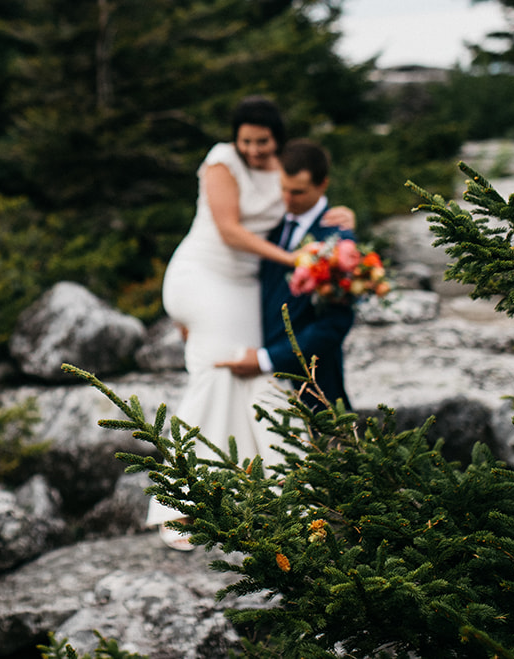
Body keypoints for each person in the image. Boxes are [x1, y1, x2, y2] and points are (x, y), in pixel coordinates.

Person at [146, 97, 315, 549]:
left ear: (277, 137)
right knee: (216, 373)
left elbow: (304, 205)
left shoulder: (285, 167)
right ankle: (178, 504)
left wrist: (339, 219)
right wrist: (294, 259)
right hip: (203, 275)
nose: (255, 150)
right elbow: (229, 229)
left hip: (246, 287)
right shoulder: (222, 161)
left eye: (263, 141)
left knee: (255, 372)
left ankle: (269, 491)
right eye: (247, 141)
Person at [217, 138, 358, 426]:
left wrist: (267, 359)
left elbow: (334, 325)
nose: (287, 199)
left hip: (311, 382)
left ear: (323, 185)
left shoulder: (340, 242)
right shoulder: (270, 223)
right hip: (259, 380)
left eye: (298, 192)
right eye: (282, 188)